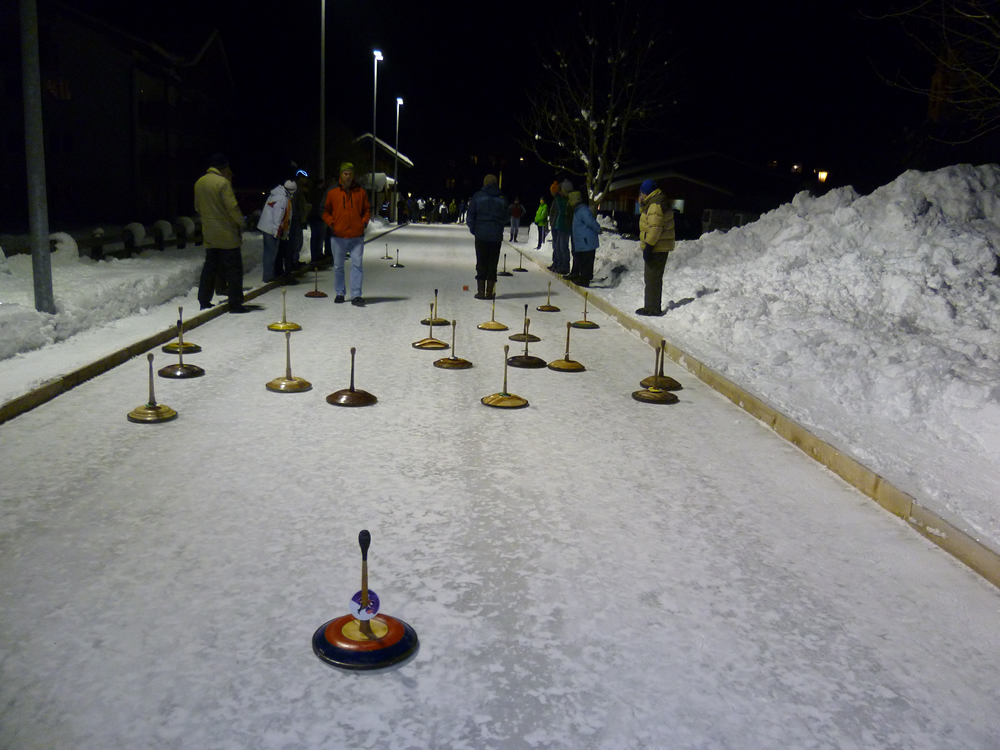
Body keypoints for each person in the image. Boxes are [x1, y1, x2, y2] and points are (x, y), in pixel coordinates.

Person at [194, 153, 249, 313]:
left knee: (210, 267)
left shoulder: (200, 182)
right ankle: (235, 303)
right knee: (233, 269)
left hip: (210, 233)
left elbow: (197, 207)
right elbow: (232, 207)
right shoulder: (223, 183)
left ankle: (204, 301)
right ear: (223, 169)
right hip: (227, 234)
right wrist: (241, 222)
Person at [323, 162, 371, 306]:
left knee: (357, 265)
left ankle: (356, 295)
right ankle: (339, 293)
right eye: (345, 173)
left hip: (356, 235)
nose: (348, 176)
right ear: (341, 174)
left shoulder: (361, 192)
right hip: (338, 236)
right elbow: (324, 210)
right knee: (338, 266)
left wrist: (363, 223)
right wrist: (332, 224)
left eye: (350, 173)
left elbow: (367, 209)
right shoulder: (332, 192)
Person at [636, 178, 675, 316]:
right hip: (659, 246)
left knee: (652, 279)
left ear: (647, 193)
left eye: (641, 193)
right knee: (652, 278)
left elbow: (655, 228)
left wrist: (648, 246)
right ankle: (651, 306)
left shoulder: (654, 205)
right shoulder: (655, 202)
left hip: (656, 247)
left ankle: (652, 308)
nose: (640, 195)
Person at [467, 174, 508, 299]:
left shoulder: (478, 196)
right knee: (492, 262)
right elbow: (506, 216)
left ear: (485, 183)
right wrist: (499, 226)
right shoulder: (502, 197)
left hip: (481, 233)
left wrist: (474, 229)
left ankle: (480, 291)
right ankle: (490, 292)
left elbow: (470, 215)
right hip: (495, 235)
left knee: (481, 261)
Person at [257, 180, 296, 284]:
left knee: (269, 252)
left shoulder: (276, 194)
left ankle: (269, 274)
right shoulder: (282, 198)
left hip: (266, 227)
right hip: (271, 229)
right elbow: (277, 217)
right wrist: (276, 232)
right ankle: (268, 276)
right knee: (271, 253)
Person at [567, 190, 600, 287]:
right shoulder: (578, 210)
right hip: (583, 241)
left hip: (587, 241)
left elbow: (591, 222)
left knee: (586, 261)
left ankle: (585, 279)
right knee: (583, 260)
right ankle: (582, 277)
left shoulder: (583, 210)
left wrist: (598, 229)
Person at [308, 177, 334, 265]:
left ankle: (318, 254)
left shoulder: (316, 192)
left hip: (317, 217)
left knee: (319, 237)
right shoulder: (318, 193)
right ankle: (316, 255)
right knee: (317, 236)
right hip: (317, 217)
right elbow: (319, 206)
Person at [548, 180, 572, 274]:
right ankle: (558, 263)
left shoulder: (564, 200)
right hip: (559, 225)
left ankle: (564, 265)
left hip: (563, 226)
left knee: (562, 247)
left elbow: (561, 210)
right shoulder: (559, 200)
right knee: (558, 246)